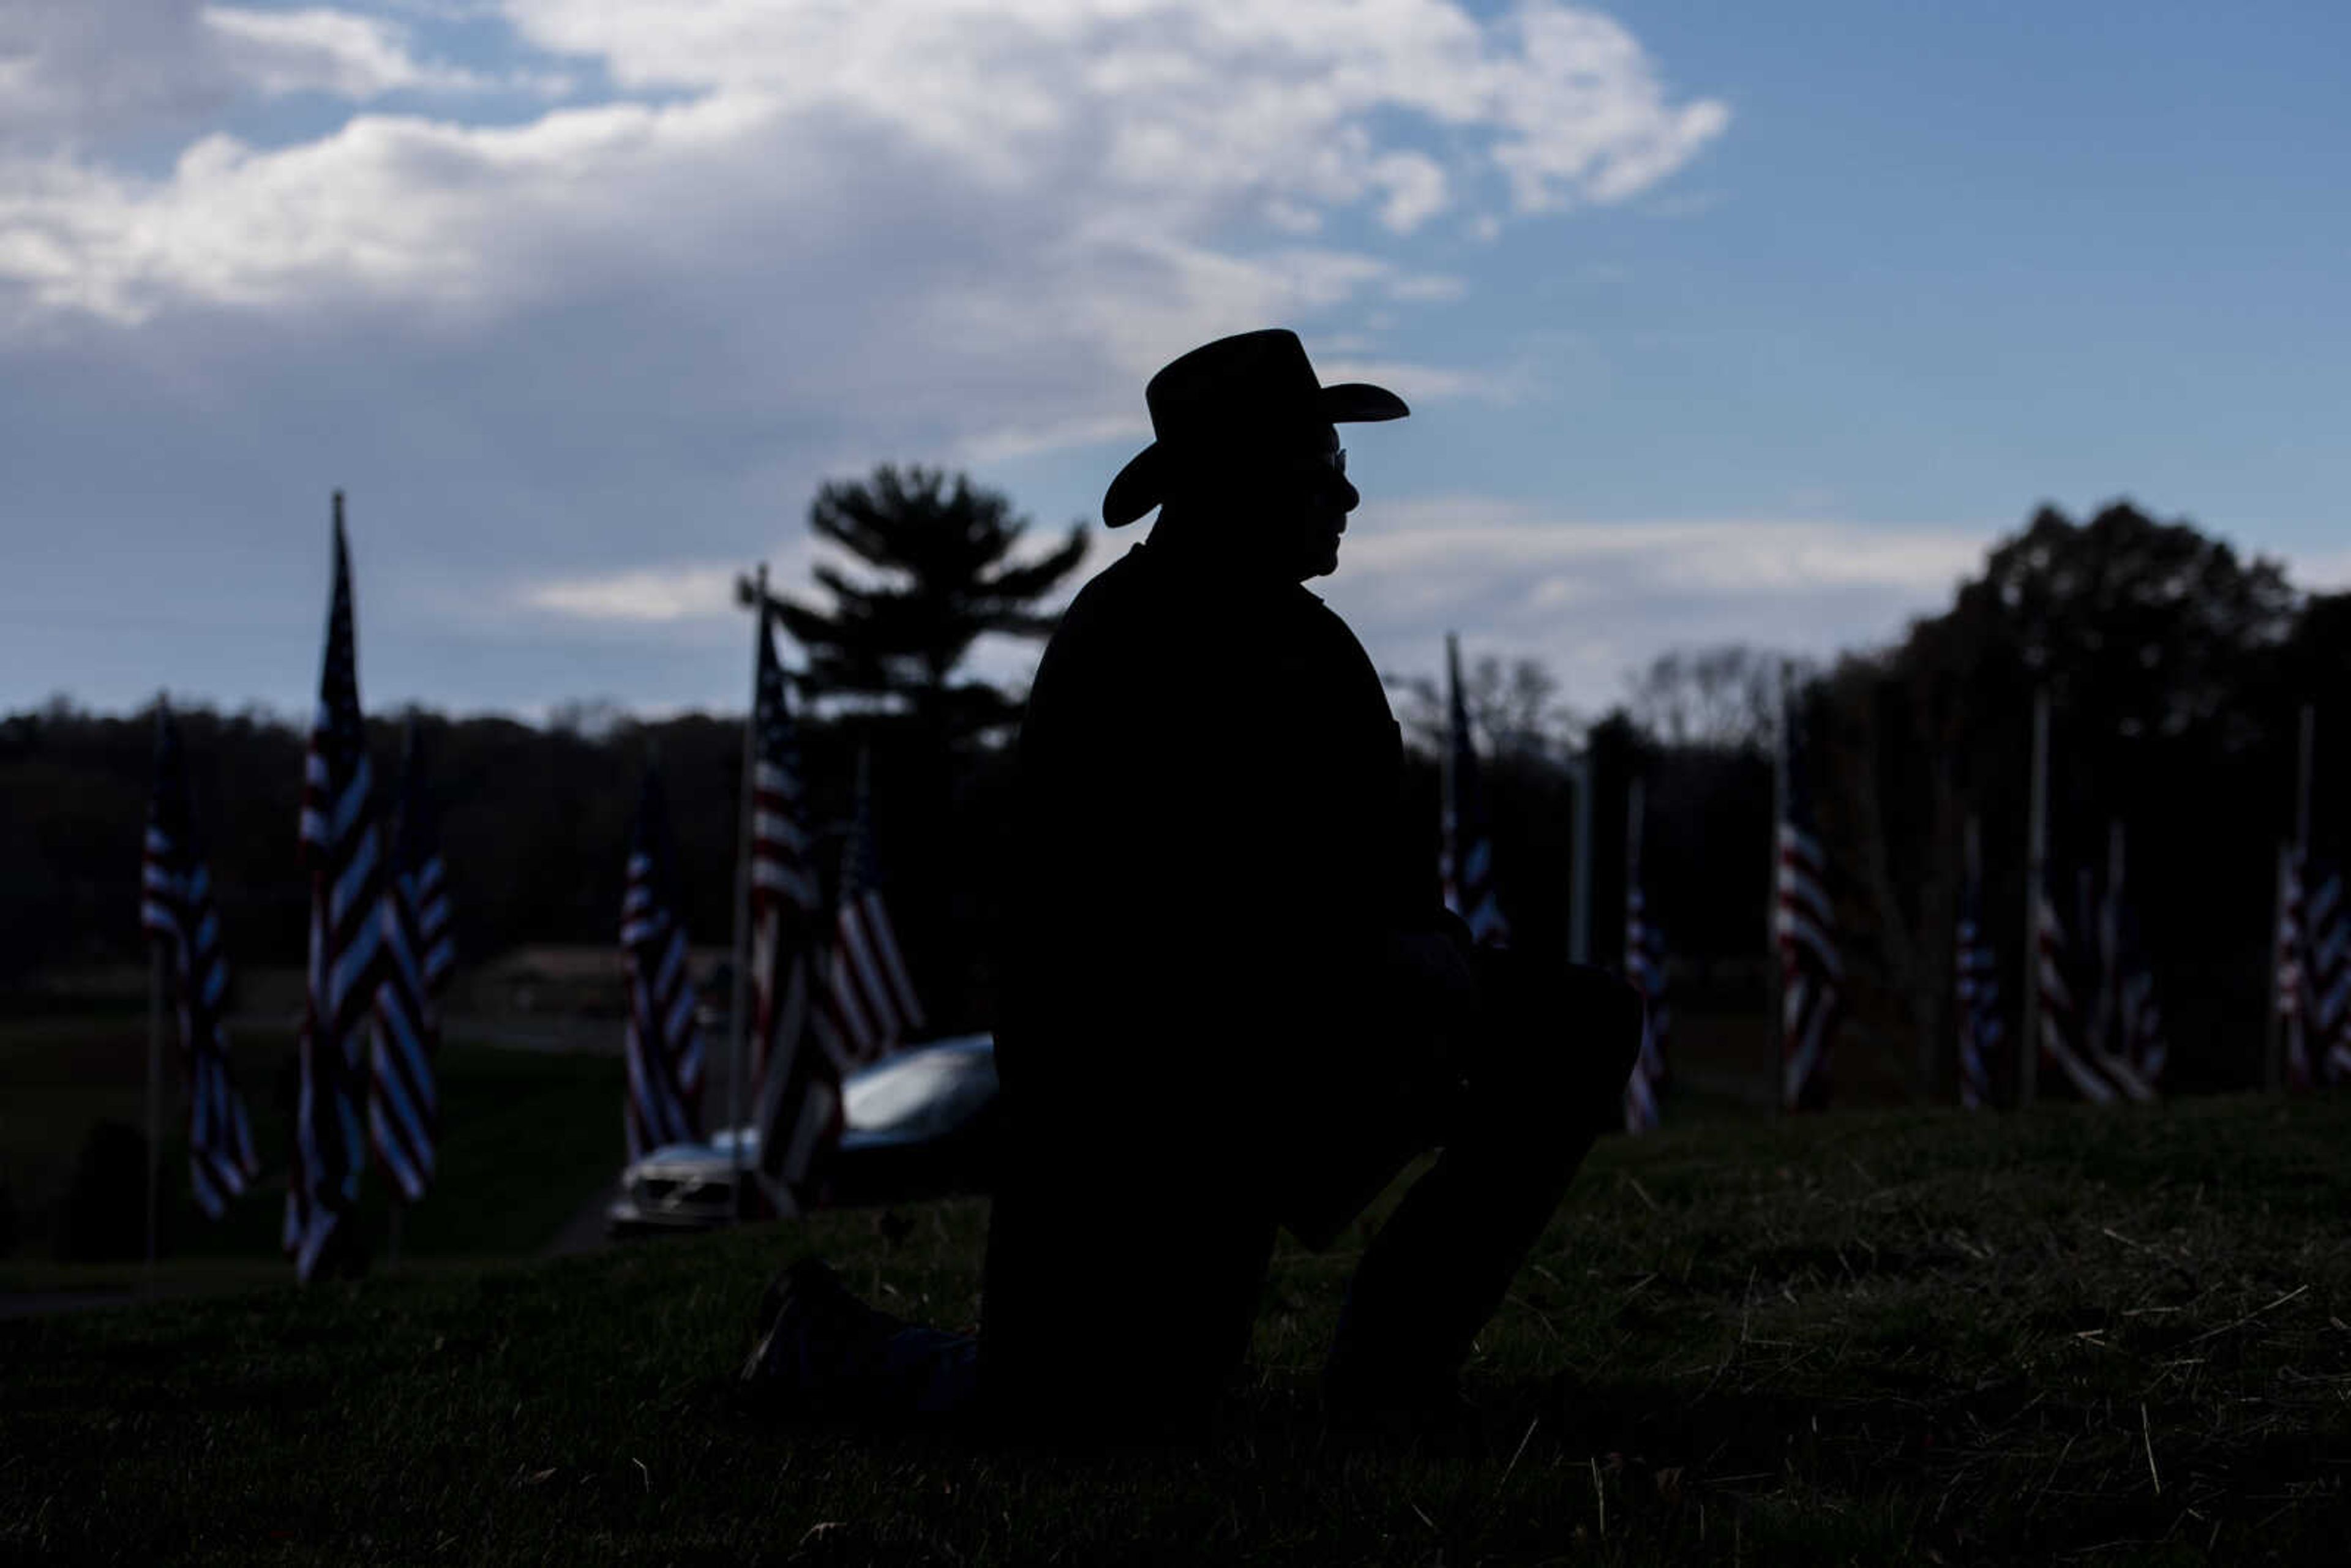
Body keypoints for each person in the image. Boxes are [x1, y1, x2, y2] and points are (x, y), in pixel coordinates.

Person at [743, 329, 1641, 1436]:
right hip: (1135, 1101)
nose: (1349, 497)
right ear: (1242, 481)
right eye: (1322, 468)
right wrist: (1380, 962)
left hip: (1291, 1036)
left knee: (1577, 1023)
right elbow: (1159, 929)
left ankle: (1391, 1373)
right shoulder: (1124, 647)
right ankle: (822, 1345)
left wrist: (1431, 952)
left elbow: (1375, 879)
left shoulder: (1319, 650)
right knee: (1090, 1416)